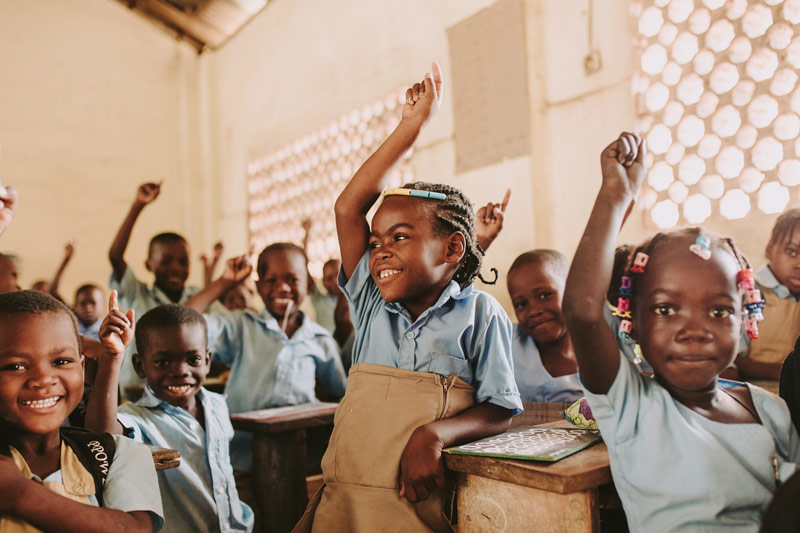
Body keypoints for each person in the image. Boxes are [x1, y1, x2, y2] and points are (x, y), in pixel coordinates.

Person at [295, 62, 521, 533]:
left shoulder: (479, 315)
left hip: (416, 509)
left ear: (453, 248)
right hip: (346, 501)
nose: (380, 253)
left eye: (399, 237)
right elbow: (347, 206)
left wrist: (434, 433)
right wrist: (410, 127)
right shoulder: (371, 304)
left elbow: (500, 407)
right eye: (375, 242)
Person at [563, 132, 800, 532]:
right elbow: (582, 311)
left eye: (719, 310)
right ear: (632, 322)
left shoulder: (771, 412)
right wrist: (616, 196)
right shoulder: (630, 405)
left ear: (745, 316)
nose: (694, 330)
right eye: (666, 309)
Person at [85, 296, 253, 532]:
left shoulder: (217, 405)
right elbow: (101, 436)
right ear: (140, 366)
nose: (180, 371)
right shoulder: (137, 419)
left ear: (207, 360)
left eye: (193, 359)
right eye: (163, 362)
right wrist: (112, 357)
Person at [0, 290, 163, 532]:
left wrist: (20, 494)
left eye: (61, 361)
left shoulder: (114, 453)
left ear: (82, 368)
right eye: (16, 366)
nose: (44, 379)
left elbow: (136, 528)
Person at [184, 246, 347, 474]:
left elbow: (343, 394)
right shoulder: (241, 327)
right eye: (271, 281)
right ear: (258, 287)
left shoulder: (320, 340)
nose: (282, 288)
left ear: (309, 285)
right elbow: (183, 323)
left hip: (302, 462)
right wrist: (225, 281)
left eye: (292, 279)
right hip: (241, 462)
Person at [107, 181, 204, 399]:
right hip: (138, 391)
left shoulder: (196, 296)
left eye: (183, 262)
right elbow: (115, 256)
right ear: (149, 264)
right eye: (167, 261)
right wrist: (138, 205)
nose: (176, 268)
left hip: (182, 388)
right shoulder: (137, 294)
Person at [506, 250, 582, 403]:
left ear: (571, 289)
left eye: (544, 295)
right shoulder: (507, 344)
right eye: (521, 304)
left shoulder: (603, 347)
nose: (534, 311)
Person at [737, 209, 800, 384]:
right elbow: (731, 360)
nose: (799, 265)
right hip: (753, 393)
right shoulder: (750, 294)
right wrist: (782, 372)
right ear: (770, 250)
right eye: (791, 252)